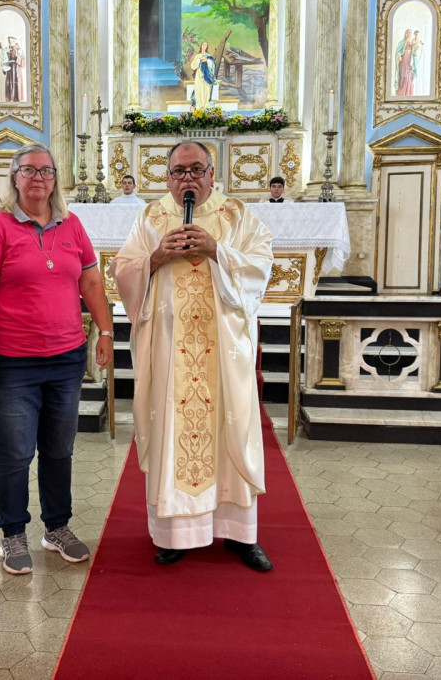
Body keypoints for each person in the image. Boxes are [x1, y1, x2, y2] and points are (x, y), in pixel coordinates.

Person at [109, 140, 275, 571]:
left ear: (212, 174)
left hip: (224, 350)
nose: (188, 179)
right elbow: (123, 269)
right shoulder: (151, 217)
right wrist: (157, 256)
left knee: (231, 427)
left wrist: (217, 250)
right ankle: (176, 534)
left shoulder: (235, 215)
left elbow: (262, 264)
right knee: (172, 429)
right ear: (166, 177)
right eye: (179, 171)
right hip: (169, 348)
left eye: (196, 170)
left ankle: (240, 534)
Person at [0, 143, 114, 576]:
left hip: (66, 358)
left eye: (46, 171)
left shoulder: (72, 226)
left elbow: (91, 282)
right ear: (13, 178)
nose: (38, 179)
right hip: (12, 362)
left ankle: (57, 527)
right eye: (28, 171)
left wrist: (105, 332)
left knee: (58, 449)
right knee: (14, 452)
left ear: (55, 179)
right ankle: (13, 532)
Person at [190, 41, 217, 109]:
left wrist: (207, 61)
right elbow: (193, 66)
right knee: (199, 90)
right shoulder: (197, 56)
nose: (204, 46)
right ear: (201, 46)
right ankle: (199, 107)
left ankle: (206, 106)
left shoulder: (209, 56)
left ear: (207, 47)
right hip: (199, 75)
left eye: (206, 45)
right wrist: (199, 60)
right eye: (203, 45)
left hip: (206, 76)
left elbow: (212, 65)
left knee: (206, 90)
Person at [394, 29, 416, 97]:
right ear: (405, 34)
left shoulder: (412, 43)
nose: (408, 34)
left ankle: (409, 93)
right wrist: (399, 56)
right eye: (407, 33)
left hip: (409, 61)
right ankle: (401, 92)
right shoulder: (401, 42)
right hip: (403, 61)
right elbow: (397, 52)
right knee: (403, 75)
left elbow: (415, 53)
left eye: (410, 33)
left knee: (409, 76)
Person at [5, 36, 25, 102]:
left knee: (16, 82)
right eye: (9, 41)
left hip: (16, 68)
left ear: (14, 41)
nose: (9, 43)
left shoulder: (19, 49)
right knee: (9, 82)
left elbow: (23, 60)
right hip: (9, 69)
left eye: (10, 41)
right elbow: (5, 59)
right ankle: (10, 98)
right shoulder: (7, 49)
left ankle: (16, 98)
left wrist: (17, 56)